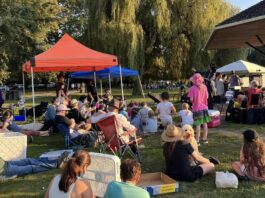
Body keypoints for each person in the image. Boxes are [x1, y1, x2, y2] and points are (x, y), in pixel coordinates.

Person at [0, 151, 69, 179]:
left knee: (28, 160)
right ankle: (56, 164)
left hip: (6, 163)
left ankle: (55, 161)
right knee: (30, 167)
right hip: (4, 172)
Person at [188, 73, 211, 145]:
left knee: (198, 125)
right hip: (205, 108)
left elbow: (191, 100)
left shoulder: (192, 88)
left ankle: (197, 141)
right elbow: (207, 97)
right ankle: (205, 139)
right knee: (205, 124)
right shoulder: (204, 87)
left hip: (197, 109)